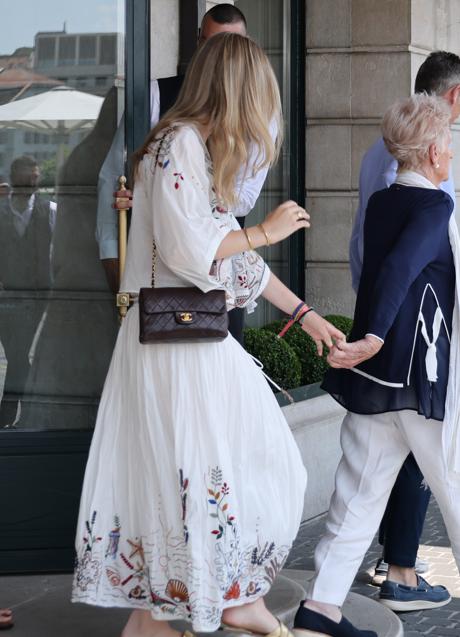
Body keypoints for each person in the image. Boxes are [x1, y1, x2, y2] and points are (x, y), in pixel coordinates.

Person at [72, 33, 344, 637]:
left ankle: (197, 608)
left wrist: (306, 316)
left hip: (188, 346)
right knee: (208, 474)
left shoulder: (188, 147)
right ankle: (215, 605)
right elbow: (193, 253)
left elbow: (236, 265)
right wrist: (265, 231)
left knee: (202, 477)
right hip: (178, 349)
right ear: (239, 91)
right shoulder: (180, 145)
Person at [292, 94, 460, 637]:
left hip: (375, 381)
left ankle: (320, 608)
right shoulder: (435, 206)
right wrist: (371, 336)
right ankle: (319, 610)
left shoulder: (385, 200)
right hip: (420, 379)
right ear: (435, 152)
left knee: (357, 496)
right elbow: (399, 272)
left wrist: (370, 344)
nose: (453, 153)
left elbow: (377, 268)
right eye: (451, 143)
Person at [348, 51, 460, 603]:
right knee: (439, 470)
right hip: (425, 348)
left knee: (373, 478)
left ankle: (386, 574)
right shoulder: (434, 191)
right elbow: (397, 264)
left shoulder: (382, 170)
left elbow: (364, 255)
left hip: (391, 340)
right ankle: (400, 571)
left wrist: (373, 325)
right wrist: (375, 328)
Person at [97, 4, 271, 345]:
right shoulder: (168, 120)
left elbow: (239, 201)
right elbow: (113, 178)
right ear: (198, 44)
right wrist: (112, 252)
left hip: (220, 273)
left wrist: (301, 313)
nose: (218, 61)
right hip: (160, 277)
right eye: (211, 47)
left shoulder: (257, 113)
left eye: (228, 51)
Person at [0, 156, 55, 426]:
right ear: (13, 178)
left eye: (35, 177)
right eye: (27, 178)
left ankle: (7, 415)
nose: (32, 182)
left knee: (18, 353)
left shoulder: (50, 211)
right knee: (17, 356)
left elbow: (63, 251)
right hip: (4, 296)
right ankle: (33, 411)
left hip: (37, 296)